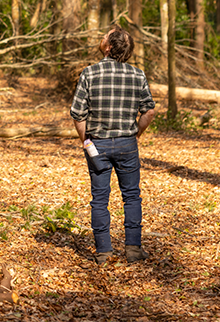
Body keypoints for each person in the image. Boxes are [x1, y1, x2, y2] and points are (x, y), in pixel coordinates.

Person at [70, 26, 157, 264]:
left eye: (104, 36)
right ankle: (133, 249)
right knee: (131, 197)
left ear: (109, 47)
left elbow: (78, 115)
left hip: (97, 144)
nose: (101, 38)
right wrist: (136, 133)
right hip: (127, 144)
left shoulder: (90, 74)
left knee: (99, 198)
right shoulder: (137, 75)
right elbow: (149, 111)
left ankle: (104, 252)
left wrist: (86, 142)